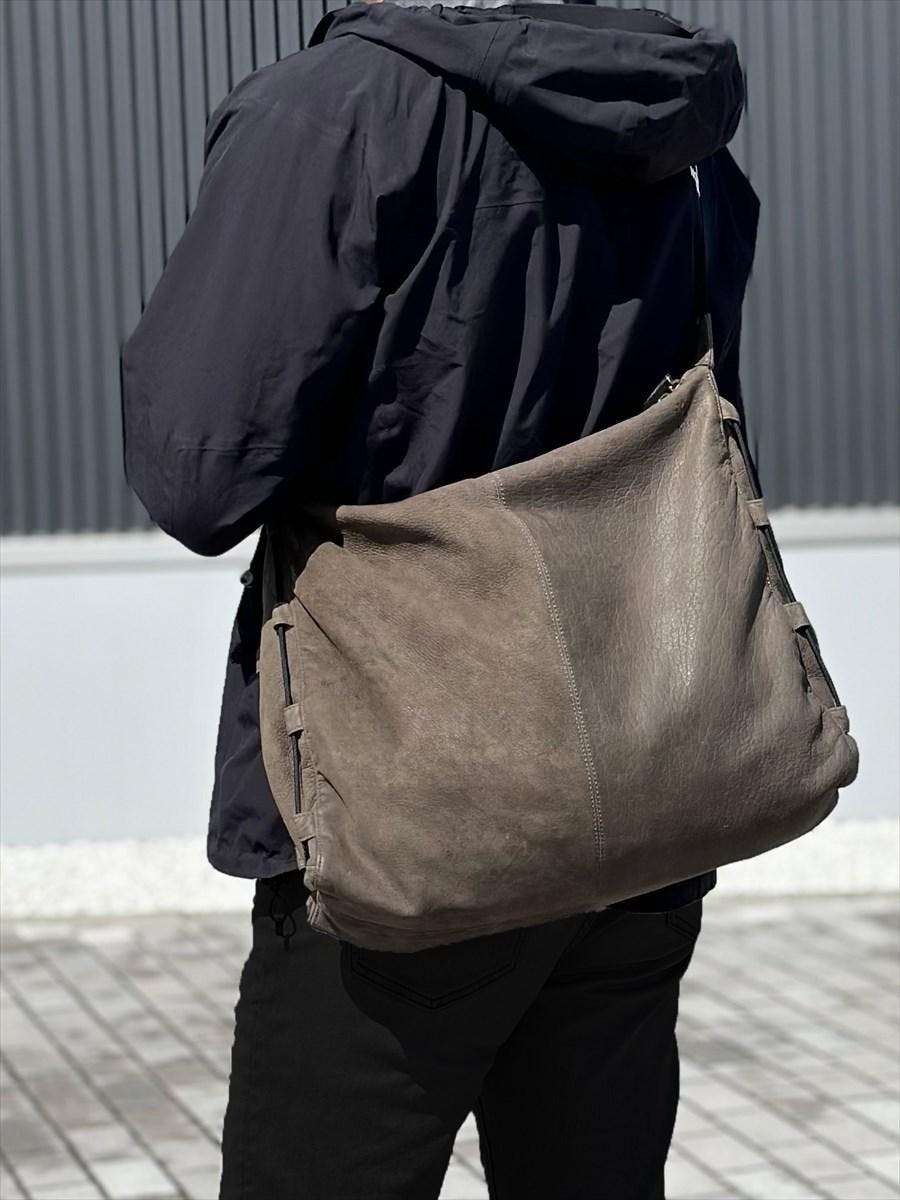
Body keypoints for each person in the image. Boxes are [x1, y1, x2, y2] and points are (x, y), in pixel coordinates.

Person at [119, 2, 760, 1196]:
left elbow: (196, 475)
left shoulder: (326, 114)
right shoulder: (675, 111)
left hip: (397, 803)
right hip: (644, 780)